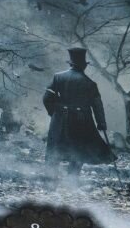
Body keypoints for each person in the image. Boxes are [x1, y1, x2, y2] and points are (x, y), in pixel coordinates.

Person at [43, 47, 112, 179]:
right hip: (81, 121)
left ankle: (50, 182)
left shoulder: (58, 77)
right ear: (84, 66)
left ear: (70, 63)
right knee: (78, 152)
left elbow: (47, 98)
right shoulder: (90, 84)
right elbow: (97, 106)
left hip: (59, 121)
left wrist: (55, 113)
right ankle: (72, 182)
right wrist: (101, 123)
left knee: (54, 150)